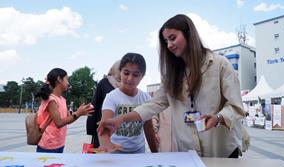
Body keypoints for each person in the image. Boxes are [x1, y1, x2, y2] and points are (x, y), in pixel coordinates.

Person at [98, 14, 245, 158]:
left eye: (172, 38)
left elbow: (236, 106)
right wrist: (121, 119)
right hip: (187, 152)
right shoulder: (172, 75)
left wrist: (218, 118)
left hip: (220, 150)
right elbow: (154, 104)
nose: (169, 45)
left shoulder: (220, 65)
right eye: (166, 41)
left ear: (189, 34)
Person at [98, 53, 157, 153]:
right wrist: (106, 144)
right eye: (126, 73)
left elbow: (148, 128)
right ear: (120, 72)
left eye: (135, 75)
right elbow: (104, 127)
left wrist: (156, 153)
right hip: (116, 153)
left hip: (139, 152)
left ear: (142, 76)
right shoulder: (111, 97)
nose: (130, 78)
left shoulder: (146, 98)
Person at [35, 68, 94, 153]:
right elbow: (59, 123)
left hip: (59, 144)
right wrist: (78, 113)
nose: (68, 82)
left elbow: (68, 119)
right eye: (67, 79)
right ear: (59, 79)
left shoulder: (62, 99)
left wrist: (80, 112)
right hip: (48, 146)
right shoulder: (51, 100)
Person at [86, 60, 121, 148]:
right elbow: (95, 105)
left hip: (121, 127)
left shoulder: (128, 84)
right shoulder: (104, 82)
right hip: (103, 124)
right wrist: (91, 128)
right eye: (120, 68)